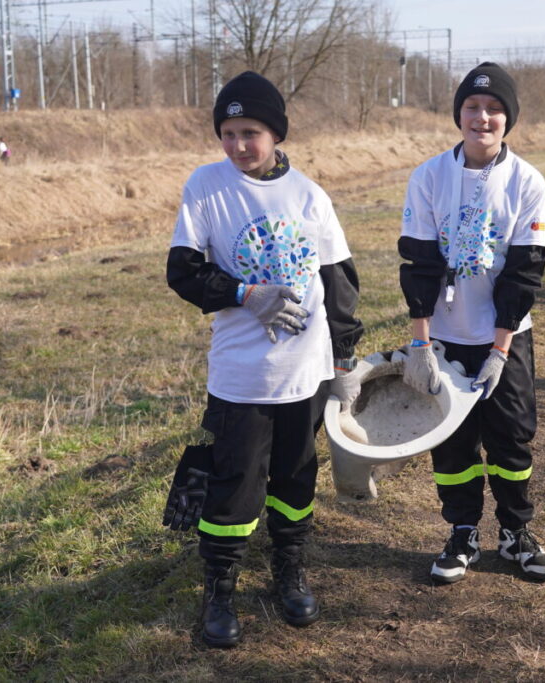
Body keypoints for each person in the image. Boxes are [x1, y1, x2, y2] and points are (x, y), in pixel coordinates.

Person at [166, 71, 364, 648]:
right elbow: (182, 270)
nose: (237, 146)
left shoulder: (308, 195)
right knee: (233, 485)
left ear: (275, 132)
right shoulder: (206, 187)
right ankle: (220, 588)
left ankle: (289, 571)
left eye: (250, 132)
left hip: (305, 373)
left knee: (296, 477)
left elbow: (340, 283)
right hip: (241, 374)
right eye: (227, 133)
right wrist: (244, 294)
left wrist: (344, 361)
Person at [397, 62, 545, 584]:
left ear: (507, 118)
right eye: (473, 107)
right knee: (453, 442)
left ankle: (515, 533)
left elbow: (524, 271)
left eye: (494, 109)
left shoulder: (527, 181)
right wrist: (422, 345)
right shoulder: (428, 177)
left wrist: (499, 350)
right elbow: (419, 263)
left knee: (511, 439)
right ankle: (463, 531)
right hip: (444, 338)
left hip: (504, 338)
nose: (482, 117)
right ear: (459, 114)